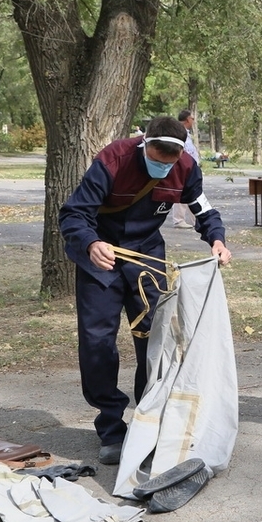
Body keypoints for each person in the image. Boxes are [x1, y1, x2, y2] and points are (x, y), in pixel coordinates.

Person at [59, 116, 232, 465]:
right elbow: (74, 215)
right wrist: (91, 243)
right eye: (156, 157)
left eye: (169, 161)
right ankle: (110, 427)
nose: (162, 166)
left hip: (148, 260)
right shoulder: (112, 161)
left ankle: (148, 421)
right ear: (144, 143)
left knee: (156, 342)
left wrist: (216, 238)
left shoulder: (185, 167)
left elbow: (203, 209)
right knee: (97, 342)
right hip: (102, 259)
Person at [171, 109, 201, 228]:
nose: (193, 121)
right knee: (182, 193)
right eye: (192, 118)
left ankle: (196, 220)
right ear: (188, 119)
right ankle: (178, 220)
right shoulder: (178, 133)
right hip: (182, 168)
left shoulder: (186, 133)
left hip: (191, 168)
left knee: (193, 193)